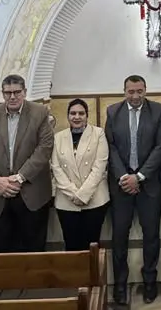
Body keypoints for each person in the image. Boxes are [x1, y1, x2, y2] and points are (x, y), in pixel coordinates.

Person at [0, 74, 54, 253]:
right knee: (2, 251)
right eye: (8, 93)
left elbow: (44, 149)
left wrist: (20, 177)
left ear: (24, 92)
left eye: (17, 92)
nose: (12, 97)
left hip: (32, 194)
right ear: (2, 93)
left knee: (34, 250)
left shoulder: (40, 113)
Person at [105, 75, 161, 305]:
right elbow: (110, 147)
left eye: (139, 91)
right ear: (124, 91)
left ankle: (150, 281)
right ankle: (120, 285)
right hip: (121, 185)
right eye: (131, 91)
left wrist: (140, 176)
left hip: (149, 185)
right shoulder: (113, 112)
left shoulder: (158, 111)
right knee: (119, 237)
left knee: (151, 236)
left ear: (145, 90)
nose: (135, 96)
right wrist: (124, 176)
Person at [51, 98, 109, 251]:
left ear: (87, 116)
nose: (77, 117)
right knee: (71, 246)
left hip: (94, 200)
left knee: (92, 247)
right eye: (73, 113)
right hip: (66, 201)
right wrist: (73, 194)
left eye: (81, 113)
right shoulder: (58, 137)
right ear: (68, 116)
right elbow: (56, 168)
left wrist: (83, 195)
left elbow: (99, 167)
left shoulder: (98, 134)